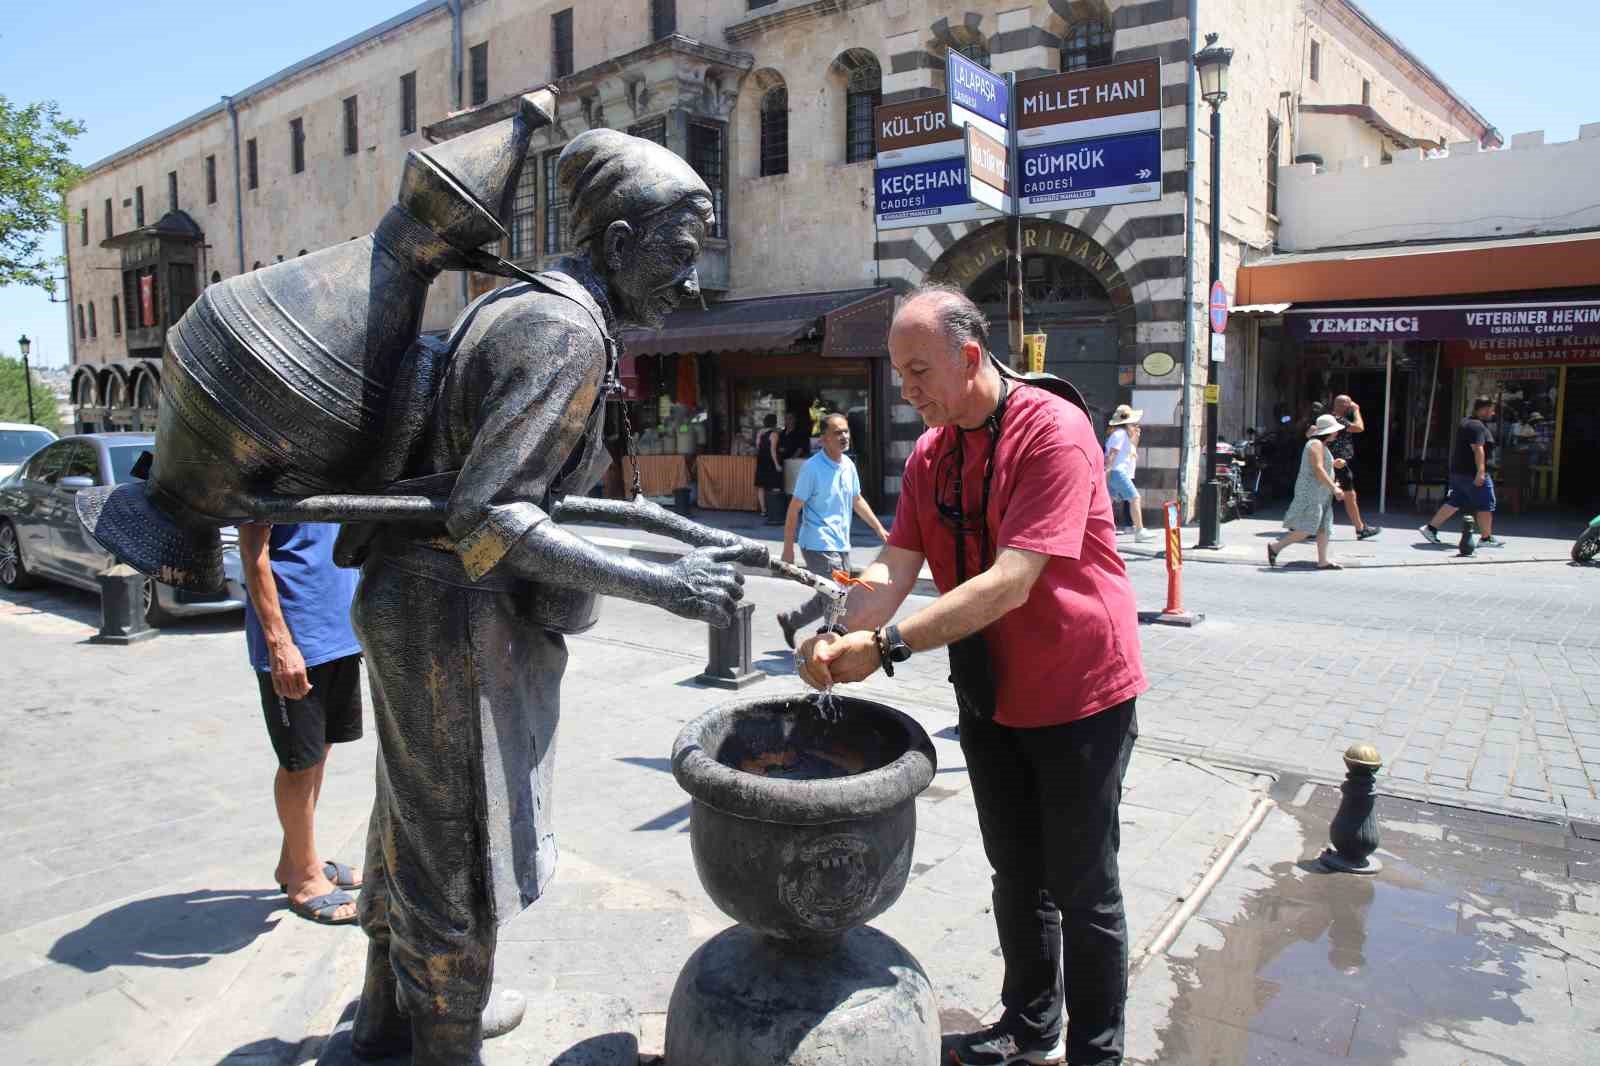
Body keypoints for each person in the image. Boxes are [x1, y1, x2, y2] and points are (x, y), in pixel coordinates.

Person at [345, 128, 745, 1064]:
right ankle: (447, 1038)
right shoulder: (564, 331)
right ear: (614, 245)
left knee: (406, 819)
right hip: (451, 616)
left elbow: (525, 487)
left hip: (417, 601)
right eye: (678, 257)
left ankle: (381, 1021)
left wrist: (670, 528)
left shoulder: (523, 305)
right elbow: (492, 516)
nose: (688, 284)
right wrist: (663, 584)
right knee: (460, 851)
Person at [797, 285, 1145, 1066]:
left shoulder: (1052, 432)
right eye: (900, 373)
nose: (908, 390)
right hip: (991, 692)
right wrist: (835, 630)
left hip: (1079, 690)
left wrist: (885, 650)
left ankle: (1097, 1053)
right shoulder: (932, 451)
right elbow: (894, 565)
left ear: (969, 356)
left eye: (920, 372)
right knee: (1016, 872)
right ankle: (1029, 1027)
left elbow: (1011, 580)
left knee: (1085, 888)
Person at [239, 522, 364, 926]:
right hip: (298, 637)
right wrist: (279, 643)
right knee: (299, 761)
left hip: (338, 630)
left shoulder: (330, 460)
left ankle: (295, 860)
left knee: (320, 749)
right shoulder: (274, 462)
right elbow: (253, 550)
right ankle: (305, 880)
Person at [776, 412, 889, 649]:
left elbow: (856, 500)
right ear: (823, 439)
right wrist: (788, 549)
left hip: (841, 544)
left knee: (830, 594)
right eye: (837, 432)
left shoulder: (848, 465)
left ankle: (791, 620)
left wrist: (879, 529)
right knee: (837, 596)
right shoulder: (812, 468)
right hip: (817, 543)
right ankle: (828, 649)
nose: (844, 436)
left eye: (846, 431)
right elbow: (794, 508)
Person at [1266, 414, 1347, 570]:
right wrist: (1334, 487)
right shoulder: (1315, 444)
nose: (1337, 433)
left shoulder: (1320, 445)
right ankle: (1276, 547)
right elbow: (1317, 469)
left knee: (1324, 527)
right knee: (1308, 528)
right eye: (1335, 430)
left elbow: (1321, 466)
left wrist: (1333, 465)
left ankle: (1323, 560)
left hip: (1321, 493)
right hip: (1313, 492)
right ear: (1328, 431)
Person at [1421, 396, 1503, 548]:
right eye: (1491, 410)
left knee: (1455, 501)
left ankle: (1430, 528)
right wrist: (1481, 472)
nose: (1492, 413)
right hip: (1472, 473)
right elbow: (1478, 449)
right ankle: (1486, 538)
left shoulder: (1466, 422)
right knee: (1486, 504)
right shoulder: (1476, 426)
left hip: (1459, 473)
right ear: (1484, 409)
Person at [1328, 395, 1379, 540]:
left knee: (1348, 495)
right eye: (1349, 404)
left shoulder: (1335, 418)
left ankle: (1360, 528)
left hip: (1339, 462)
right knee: (1346, 495)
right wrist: (1357, 411)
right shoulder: (1337, 418)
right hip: (1338, 462)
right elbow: (1359, 427)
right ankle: (1360, 529)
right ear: (1343, 405)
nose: (1351, 406)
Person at [1103, 405, 1154, 543]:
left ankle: (1102, 529)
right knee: (1135, 498)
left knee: (1108, 501)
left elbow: (1130, 452)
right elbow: (1112, 454)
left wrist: (1136, 436)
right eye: (1133, 422)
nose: (1136, 424)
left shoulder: (1123, 434)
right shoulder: (1120, 434)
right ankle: (1139, 530)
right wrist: (1106, 472)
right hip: (1117, 471)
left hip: (1116, 471)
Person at [754, 413, 785, 524]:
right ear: (774, 422)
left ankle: (763, 510)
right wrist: (777, 464)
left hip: (761, 460)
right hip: (770, 461)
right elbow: (772, 450)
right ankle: (773, 509)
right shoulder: (774, 434)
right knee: (773, 485)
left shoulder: (759, 433)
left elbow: (758, 446)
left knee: (761, 486)